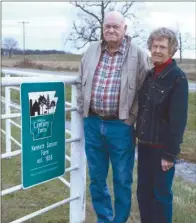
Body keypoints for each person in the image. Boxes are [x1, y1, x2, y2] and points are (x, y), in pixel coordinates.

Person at [76, 11, 150, 223]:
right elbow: (81, 81)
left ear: (124, 29)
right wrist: (84, 111)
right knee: (97, 178)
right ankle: (104, 218)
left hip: (121, 126)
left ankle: (120, 220)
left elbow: (146, 90)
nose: (110, 30)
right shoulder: (91, 51)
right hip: (93, 122)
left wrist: (131, 119)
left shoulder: (138, 54)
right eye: (107, 26)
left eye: (115, 26)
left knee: (122, 178)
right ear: (102, 28)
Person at [136, 27, 189, 223]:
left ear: (172, 50)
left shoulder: (177, 78)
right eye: (154, 46)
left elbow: (178, 121)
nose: (157, 50)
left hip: (162, 150)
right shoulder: (150, 76)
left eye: (162, 47)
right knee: (143, 193)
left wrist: (170, 154)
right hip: (144, 146)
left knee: (161, 196)